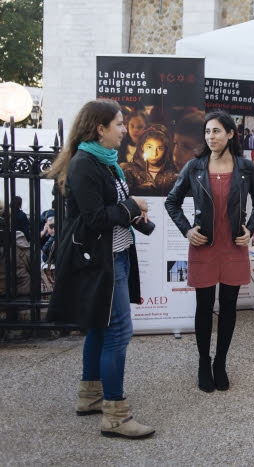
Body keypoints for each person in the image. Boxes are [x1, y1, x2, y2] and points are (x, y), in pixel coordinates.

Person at [45, 99, 154, 439]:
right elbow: (93, 219)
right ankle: (115, 415)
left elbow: (107, 210)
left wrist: (132, 213)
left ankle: (90, 395)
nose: (125, 130)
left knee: (99, 327)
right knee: (119, 333)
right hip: (103, 263)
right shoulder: (84, 165)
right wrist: (130, 204)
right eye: (120, 124)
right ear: (100, 129)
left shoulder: (105, 163)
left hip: (115, 256)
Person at [165, 110, 254, 393]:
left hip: (234, 247)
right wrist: (187, 230)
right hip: (204, 247)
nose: (211, 137)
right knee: (204, 307)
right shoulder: (194, 167)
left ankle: (220, 362)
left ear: (231, 134)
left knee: (229, 309)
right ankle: (203, 363)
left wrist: (250, 229)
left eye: (217, 131)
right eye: (208, 132)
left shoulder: (246, 167)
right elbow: (171, 202)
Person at [121, 124, 179, 196]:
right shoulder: (129, 170)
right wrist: (138, 190)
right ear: (142, 147)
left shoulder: (173, 172)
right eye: (149, 147)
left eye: (159, 148)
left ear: (165, 149)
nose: (154, 153)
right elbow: (122, 195)